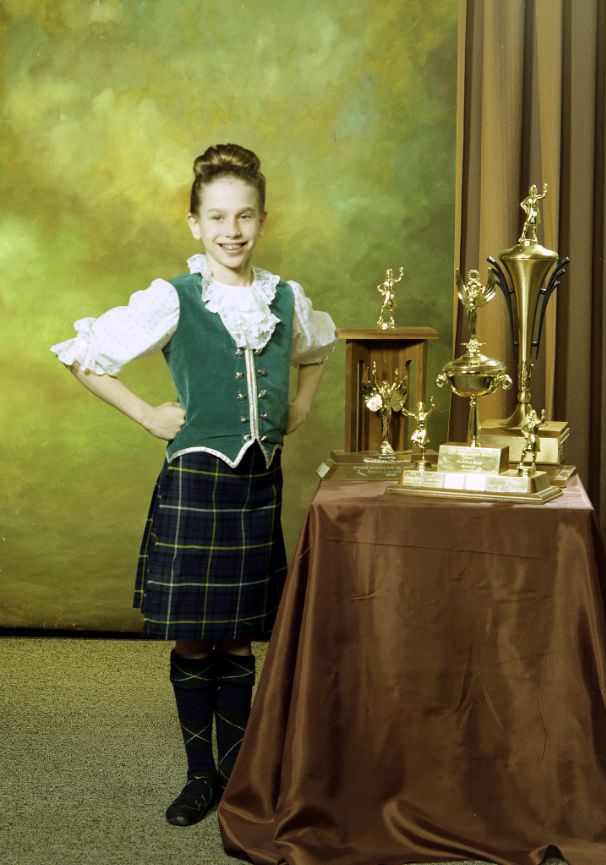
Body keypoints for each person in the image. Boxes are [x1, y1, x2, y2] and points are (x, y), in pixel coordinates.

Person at [50, 143, 336, 827]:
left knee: (238, 638)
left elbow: (318, 347)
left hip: (257, 488)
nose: (231, 231)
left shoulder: (285, 298)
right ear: (194, 223)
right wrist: (148, 413)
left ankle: (237, 774)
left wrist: (298, 407)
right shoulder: (174, 298)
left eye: (243, 217)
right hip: (197, 484)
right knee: (195, 640)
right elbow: (85, 355)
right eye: (216, 217)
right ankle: (199, 773)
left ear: (262, 220)